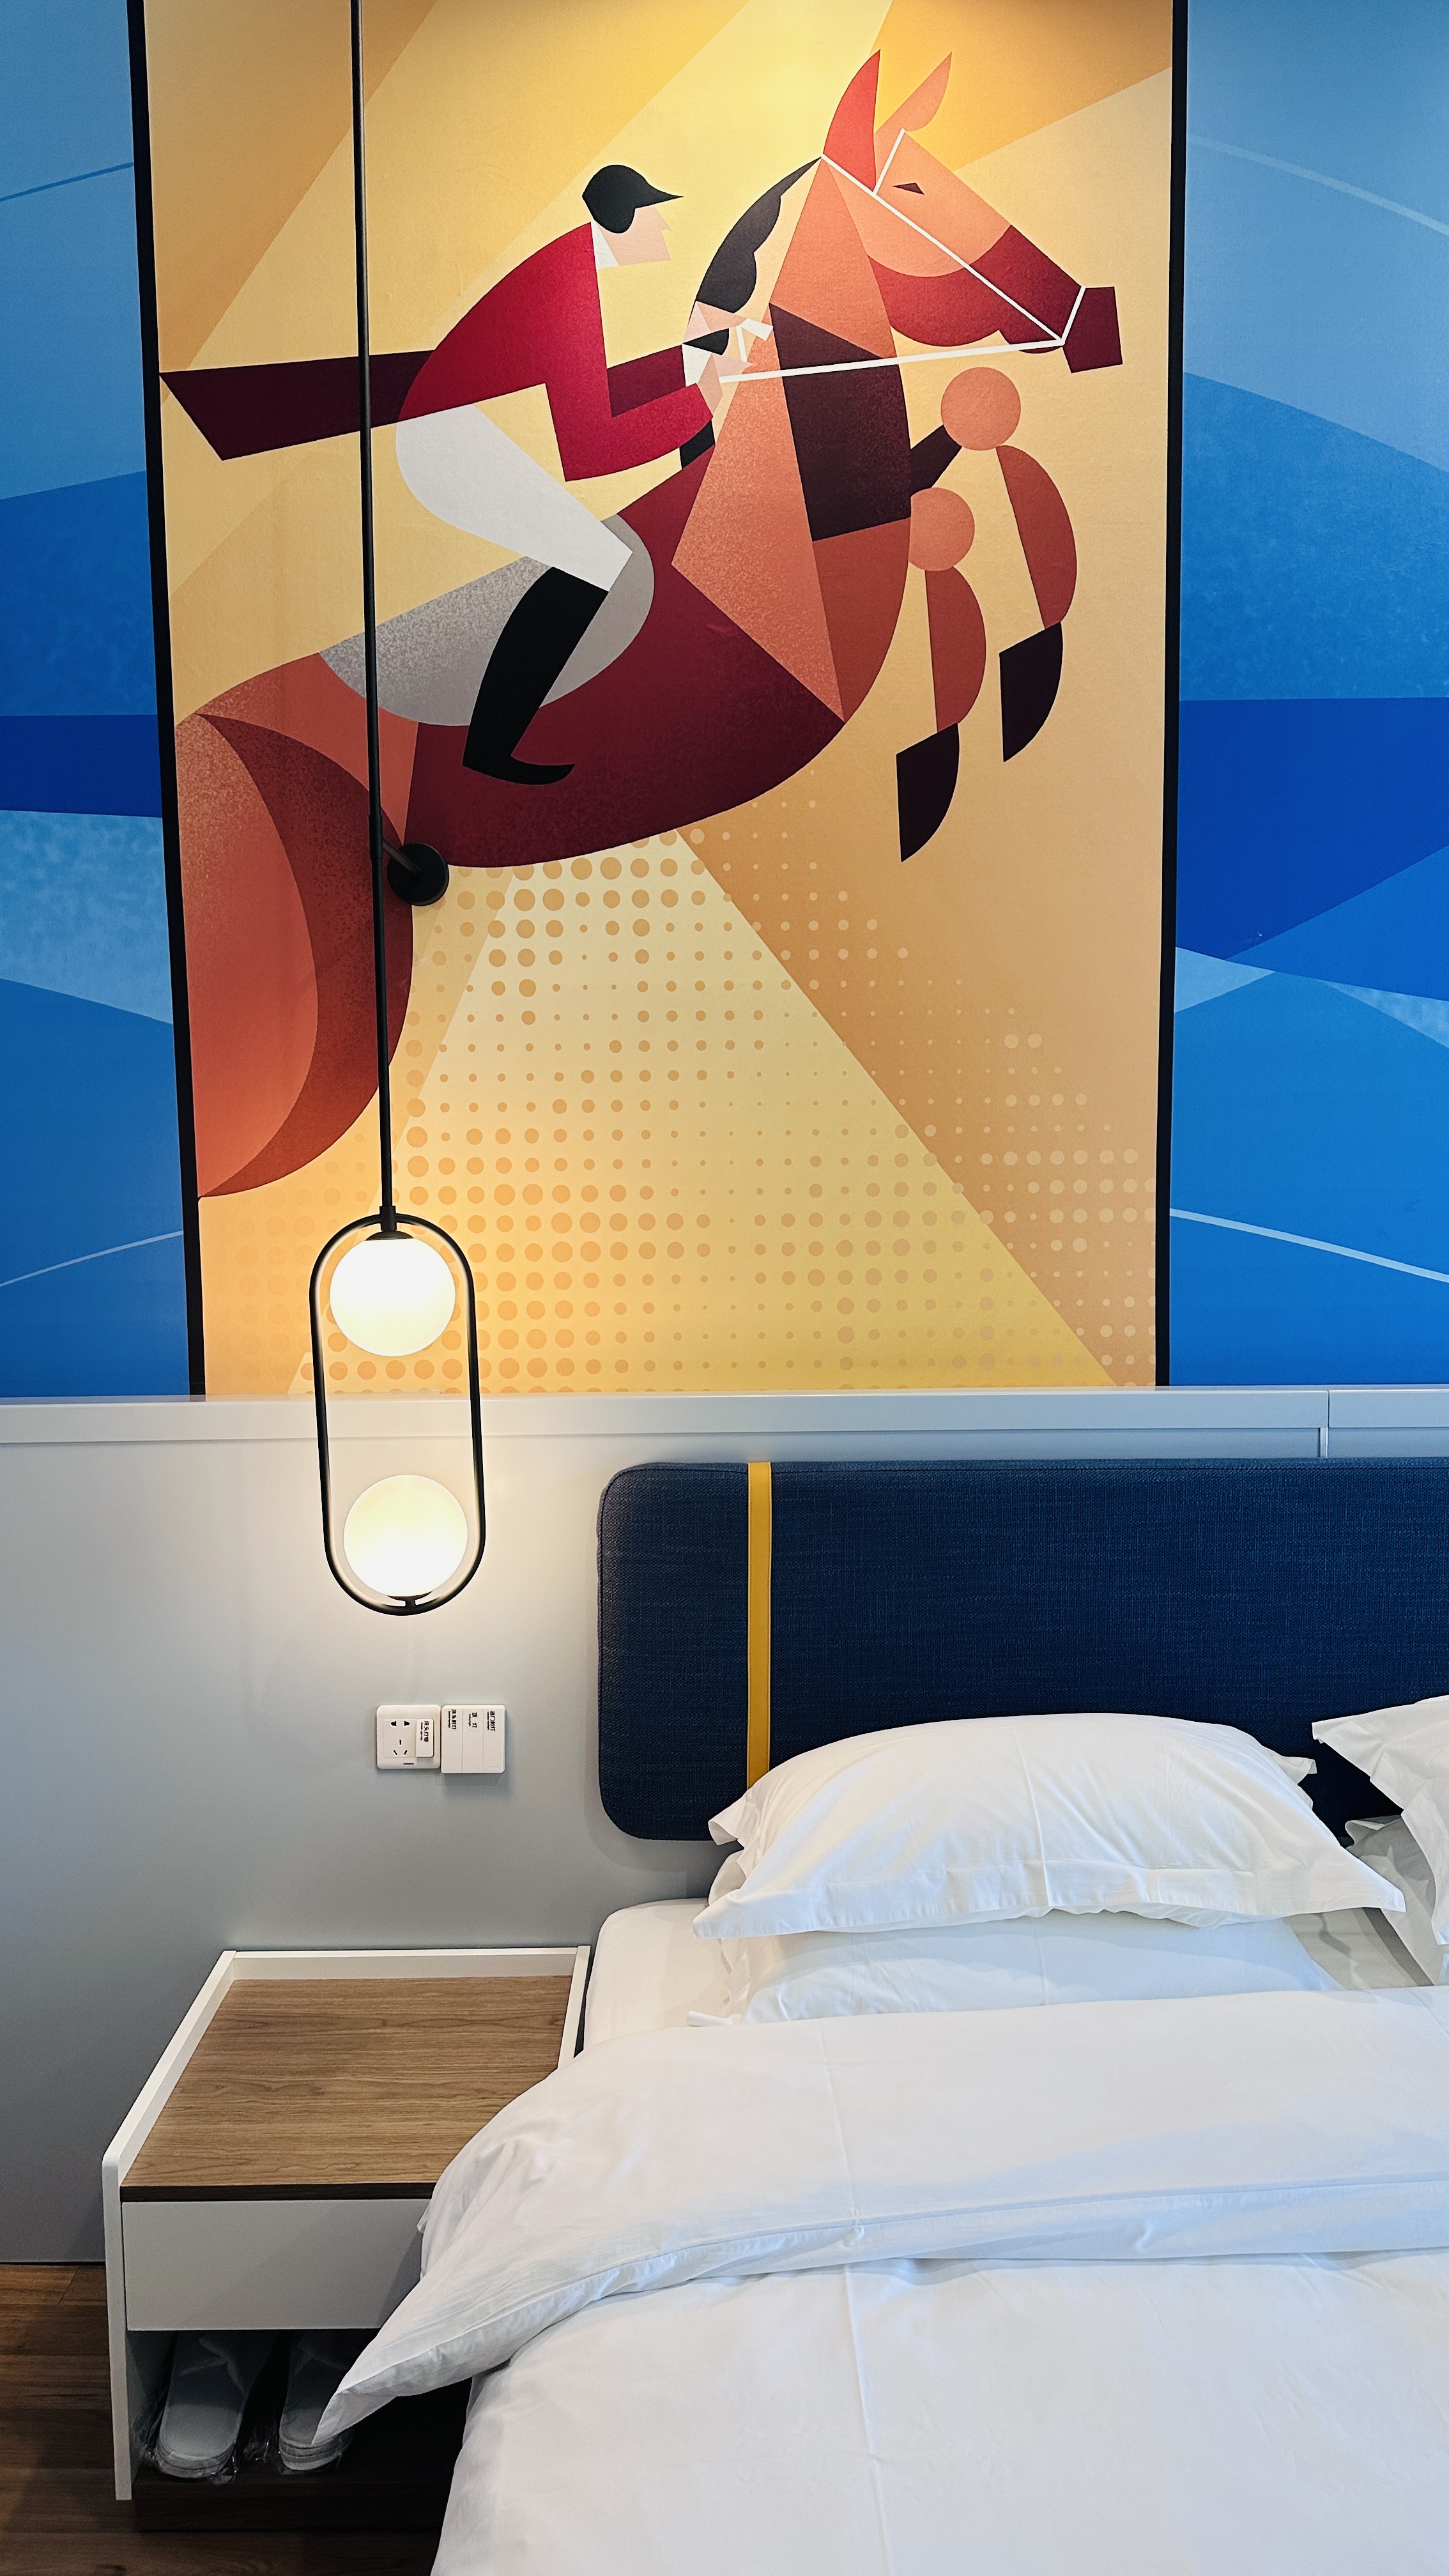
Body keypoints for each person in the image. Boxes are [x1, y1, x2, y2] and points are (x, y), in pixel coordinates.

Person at [397, 165, 722, 784]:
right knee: (593, 560)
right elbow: (589, 448)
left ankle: (489, 744)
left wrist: (687, 363)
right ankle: (489, 747)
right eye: (652, 212)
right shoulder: (569, 286)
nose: (663, 225)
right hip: (444, 442)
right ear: (621, 219)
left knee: (592, 559)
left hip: (460, 430)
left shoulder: (573, 266)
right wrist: (698, 403)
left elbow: (591, 393)